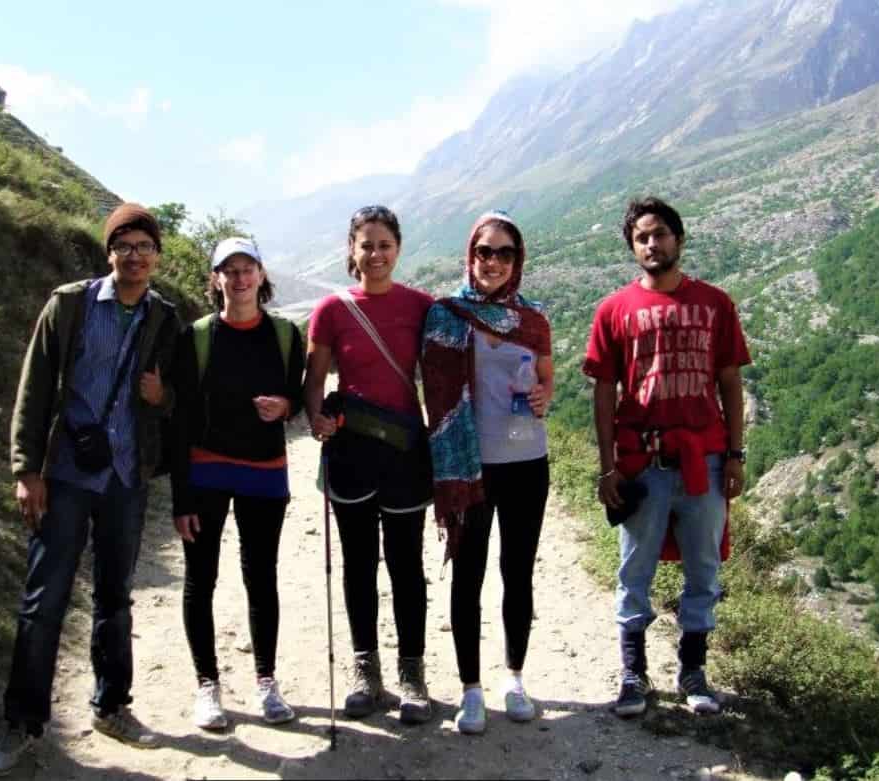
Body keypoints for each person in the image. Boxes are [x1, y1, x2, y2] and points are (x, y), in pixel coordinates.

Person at [0, 203, 180, 776]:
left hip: (124, 478)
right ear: (109, 252)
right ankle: (23, 722)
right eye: (126, 246)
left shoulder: (163, 318)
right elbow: (34, 386)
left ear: (158, 256)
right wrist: (26, 470)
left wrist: (159, 397)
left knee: (115, 598)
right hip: (65, 474)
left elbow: (174, 400)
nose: (136, 256)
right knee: (44, 600)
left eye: (146, 247)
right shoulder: (68, 305)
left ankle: (112, 705)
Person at [582, 197, 750, 718]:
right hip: (644, 463)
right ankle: (633, 674)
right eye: (641, 238)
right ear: (633, 247)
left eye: (659, 234)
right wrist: (608, 466)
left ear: (679, 237)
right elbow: (605, 392)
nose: (651, 244)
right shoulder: (614, 310)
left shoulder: (716, 304)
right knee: (635, 571)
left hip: (706, 460)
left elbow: (729, 382)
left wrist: (737, 454)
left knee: (703, 571)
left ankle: (693, 673)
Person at [422, 211, 554, 735]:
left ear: (517, 260)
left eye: (504, 253)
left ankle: (515, 678)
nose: (493, 262)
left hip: (526, 462)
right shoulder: (446, 314)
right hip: (470, 468)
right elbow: (431, 386)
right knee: (468, 576)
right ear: (469, 256)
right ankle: (470, 690)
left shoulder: (534, 319)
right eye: (484, 251)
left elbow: (546, 384)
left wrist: (545, 395)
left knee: (518, 572)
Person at [304, 205, 435, 724]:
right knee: (358, 564)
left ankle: (412, 674)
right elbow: (314, 380)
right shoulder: (331, 311)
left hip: (404, 451)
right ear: (352, 251)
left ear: (397, 248)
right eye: (366, 245)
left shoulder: (423, 307)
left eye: (384, 244)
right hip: (351, 451)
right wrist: (317, 420)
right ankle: (366, 671)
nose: (375, 255)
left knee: (407, 566)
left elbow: (440, 380)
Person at [169, 237, 305, 731]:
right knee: (200, 579)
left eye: (248, 268)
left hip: (265, 472)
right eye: (229, 270)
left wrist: (286, 407)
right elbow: (180, 419)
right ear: (216, 279)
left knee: (261, 577)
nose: (240, 278)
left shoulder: (288, 336)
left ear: (262, 276)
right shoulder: (196, 338)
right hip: (206, 471)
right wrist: (180, 495)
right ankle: (208, 686)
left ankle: (266, 682)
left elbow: (298, 397)